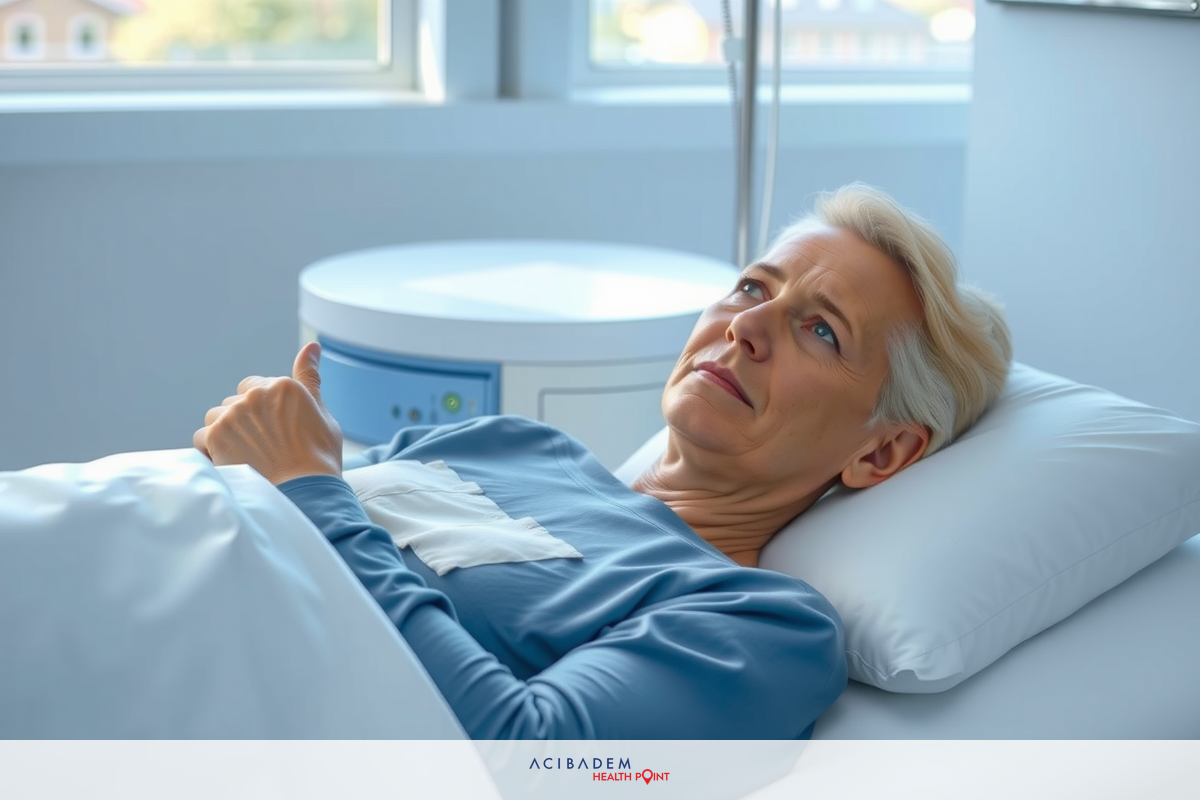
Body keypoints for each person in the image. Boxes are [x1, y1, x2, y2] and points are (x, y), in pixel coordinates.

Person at [193, 183, 1011, 739]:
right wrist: (250, 461)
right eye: (754, 289)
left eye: (821, 330)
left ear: (882, 450)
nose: (747, 328)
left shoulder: (758, 627)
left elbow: (531, 764)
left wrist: (309, 487)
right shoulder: (510, 441)